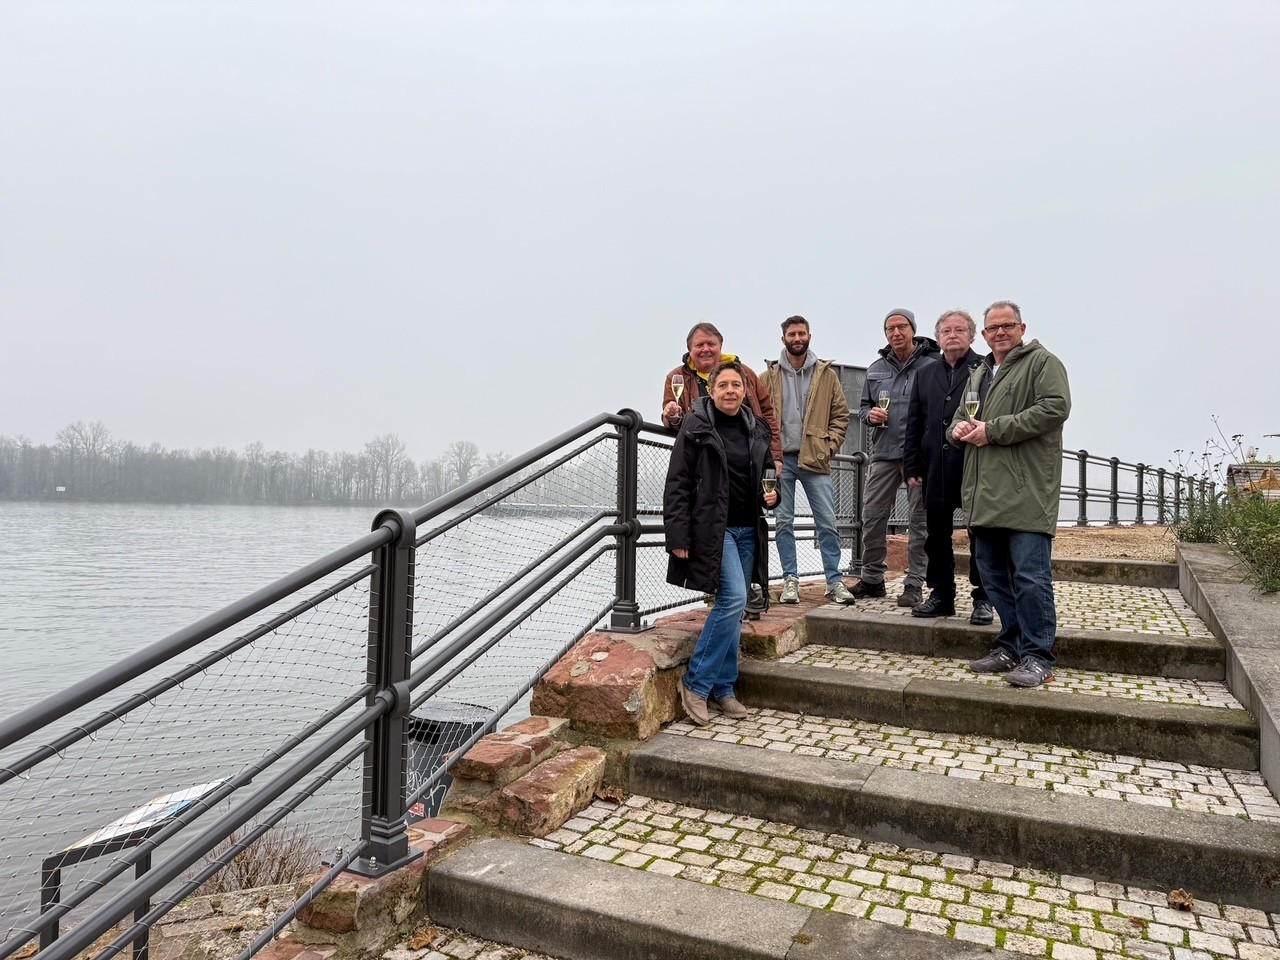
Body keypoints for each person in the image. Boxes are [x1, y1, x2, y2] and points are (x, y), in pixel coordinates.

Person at [949, 301, 1071, 688]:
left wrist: (993, 430)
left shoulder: (1042, 363)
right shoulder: (980, 372)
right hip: (984, 493)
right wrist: (956, 430)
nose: (1000, 332)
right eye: (993, 328)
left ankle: (1038, 656)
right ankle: (1011, 646)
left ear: (1022, 328)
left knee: (1031, 578)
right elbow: (962, 417)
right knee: (992, 575)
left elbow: (1055, 408)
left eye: (1008, 325)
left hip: (1026, 491)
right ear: (984, 335)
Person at [663, 361, 778, 726]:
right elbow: (677, 482)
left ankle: (724, 687)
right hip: (716, 530)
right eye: (723, 385)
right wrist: (677, 535)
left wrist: (773, 496)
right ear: (711, 390)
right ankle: (696, 684)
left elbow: (768, 474)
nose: (730, 391)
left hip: (748, 528)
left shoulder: (755, 427)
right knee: (734, 600)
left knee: (735, 608)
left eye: (736, 385)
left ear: (745, 391)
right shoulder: (696, 426)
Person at [662, 321, 782, 620]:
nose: (705, 349)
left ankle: (727, 643)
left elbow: (767, 415)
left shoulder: (748, 383)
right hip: (711, 504)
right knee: (733, 599)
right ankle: (710, 649)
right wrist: (671, 415)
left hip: (747, 514)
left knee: (736, 601)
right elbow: (677, 478)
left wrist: (774, 462)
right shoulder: (680, 382)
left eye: (711, 344)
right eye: (699, 345)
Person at [903, 310, 993, 624]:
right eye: (946, 331)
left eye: (959, 330)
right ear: (938, 337)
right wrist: (911, 465)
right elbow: (914, 423)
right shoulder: (925, 373)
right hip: (934, 465)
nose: (952, 336)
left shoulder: (985, 369)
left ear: (972, 335)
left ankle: (984, 598)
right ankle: (941, 595)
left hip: (972, 463)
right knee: (936, 536)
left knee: (979, 533)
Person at [760, 316, 854, 605]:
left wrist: (828, 446)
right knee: (783, 522)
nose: (797, 338)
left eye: (801, 333)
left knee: (827, 521)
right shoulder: (768, 377)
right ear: (783, 339)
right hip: (780, 461)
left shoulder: (826, 375)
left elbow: (841, 416)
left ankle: (834, 581)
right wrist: (767, 453)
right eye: (792, 334)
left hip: (816, 460)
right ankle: (791, 580)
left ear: (809, 336)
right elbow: (758, 418)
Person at [851, 309, 938, 607]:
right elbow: (864, 408)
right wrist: (870, 416)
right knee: (872, 516)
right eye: (890, 329)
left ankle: (914, 584)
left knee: (919, 521)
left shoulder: (933, 365)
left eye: (902, 327)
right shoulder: (875, 368)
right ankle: (873, 579)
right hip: (884, 453)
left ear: (913, 329)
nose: (896, 333)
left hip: (920, 455)